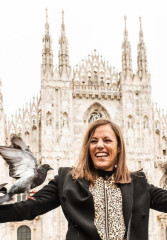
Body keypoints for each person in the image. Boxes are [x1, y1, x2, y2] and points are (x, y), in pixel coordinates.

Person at [0, 118, 167, 240]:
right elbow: (28, 207)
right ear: (88, 148)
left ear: (118, 148)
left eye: (107, 140)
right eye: (93, 141)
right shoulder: (67, 180)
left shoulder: (138, 184)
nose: (99, 145)